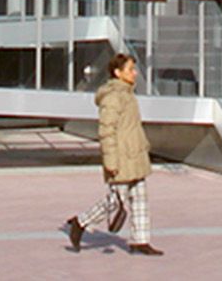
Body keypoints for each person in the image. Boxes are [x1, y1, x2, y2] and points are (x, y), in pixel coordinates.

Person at [62, 51, 162, 256]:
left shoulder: (128, 94)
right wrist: (111, 161)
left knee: (140, 199)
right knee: (115, 201)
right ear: (118, 72)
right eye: (130, 69)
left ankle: (140, 241)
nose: (134, 73)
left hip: (135, 154)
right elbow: (107, 131)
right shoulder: (113, 97)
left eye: (134, 69)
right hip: (121, 157)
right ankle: (80, 223)